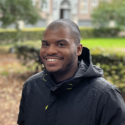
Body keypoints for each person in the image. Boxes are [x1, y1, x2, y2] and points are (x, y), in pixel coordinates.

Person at [17, 19, 125, 125]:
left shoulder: (106, 95)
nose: (50, 51)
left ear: (78, 49)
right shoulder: (31, 86)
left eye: (61, 44)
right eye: (45, 44)